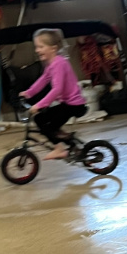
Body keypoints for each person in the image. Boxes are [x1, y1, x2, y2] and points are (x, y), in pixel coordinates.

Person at [19, 28, 87, 161]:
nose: (37, 50)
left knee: (48, 127)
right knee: (40, 119)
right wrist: (29, 93)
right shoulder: (52, 64)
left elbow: (57, 90)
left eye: (41, 47)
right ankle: (69, 142)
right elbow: (43, 79)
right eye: (36, 47)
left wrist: (39, 105)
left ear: (53, 48)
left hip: (73, 105)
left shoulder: (59, 63)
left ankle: (59, 149)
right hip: (68, 104)